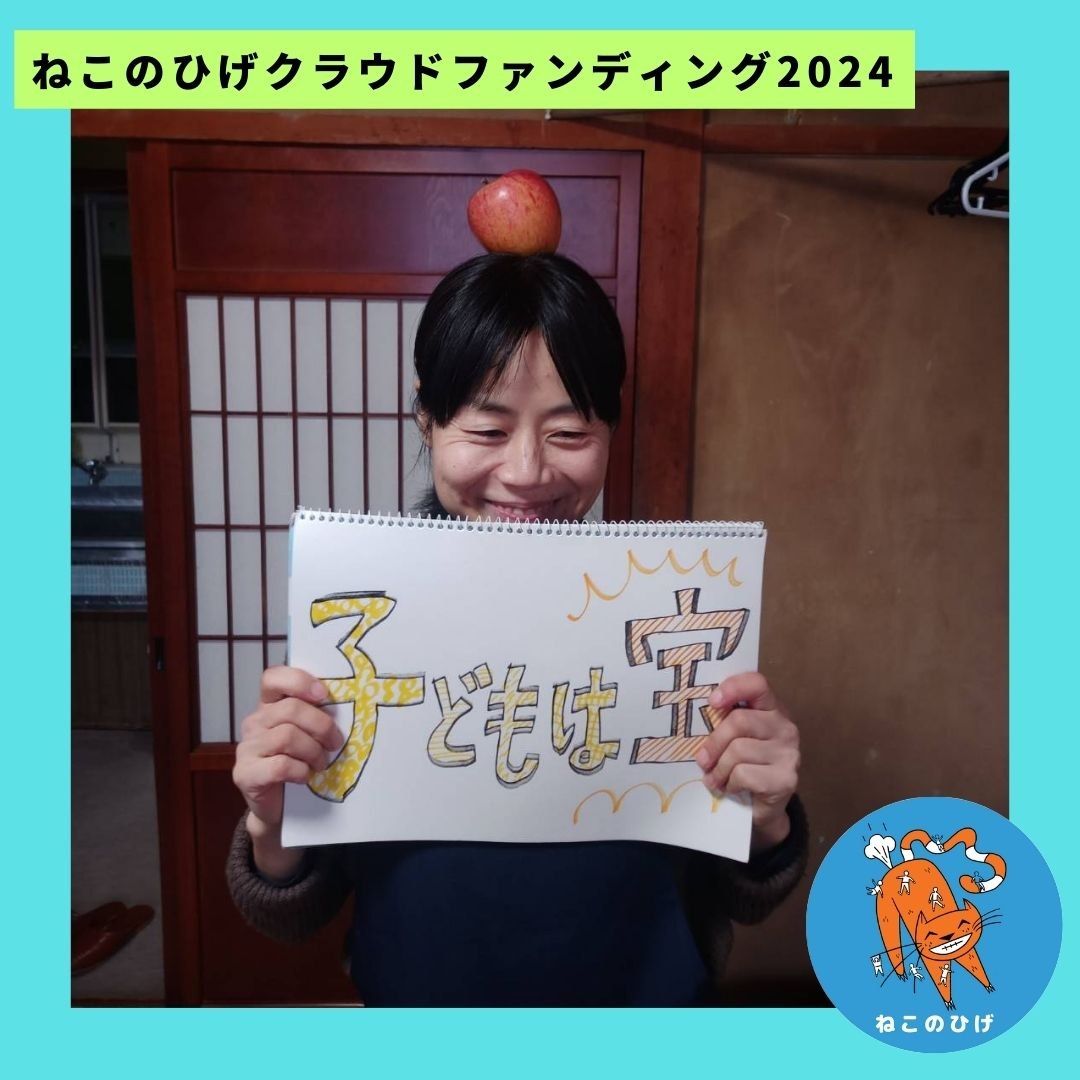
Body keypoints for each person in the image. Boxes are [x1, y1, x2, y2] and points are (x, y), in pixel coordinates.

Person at [227, 252, 805, 1006]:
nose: (527, 471)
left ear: (610, 426)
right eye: (487, 429)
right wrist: (272, 824)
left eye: (569, 433)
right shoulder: (364, 614)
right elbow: (294, 911)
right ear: (427, 418)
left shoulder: (666, 613)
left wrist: (765, 818)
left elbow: (738, 896)